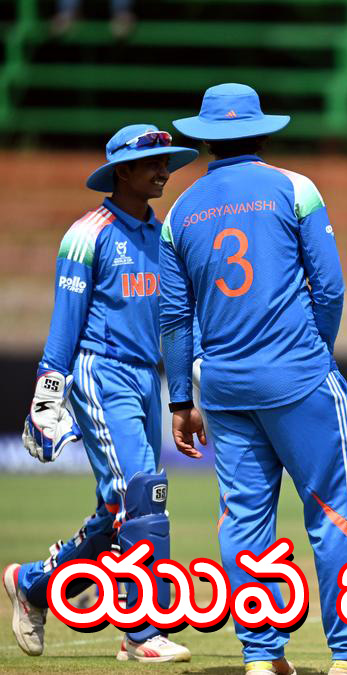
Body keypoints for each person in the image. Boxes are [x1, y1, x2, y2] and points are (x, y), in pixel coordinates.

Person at [160, 83, 347, 675]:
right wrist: (314, 355)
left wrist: (181, 398)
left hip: (222, 388)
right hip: (298, 377)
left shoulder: (180, 212)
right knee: (332, 513)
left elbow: (174, 316)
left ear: (203, 138)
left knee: (243, 519)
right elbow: (328, 288)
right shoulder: (293, 188)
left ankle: (261, 657)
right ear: (262, 131)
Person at [4, 124, 196, 663]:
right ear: (123, 172)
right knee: (143, 493)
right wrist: (46, 402)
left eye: (167, 163)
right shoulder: (87, 234)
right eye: (154, 164)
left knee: (119, 505)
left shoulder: (164, 236)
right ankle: (142, 632)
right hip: (100, 370)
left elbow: (178, 322)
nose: (164, 171)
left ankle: (36, 585)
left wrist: (182, 395)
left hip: (144, 377)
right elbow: (64, 330)